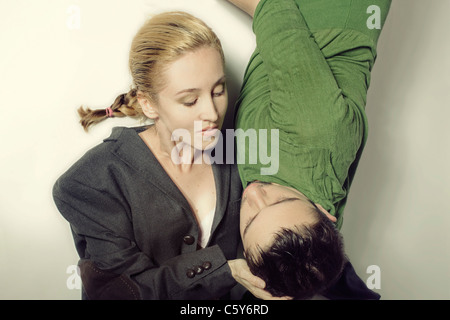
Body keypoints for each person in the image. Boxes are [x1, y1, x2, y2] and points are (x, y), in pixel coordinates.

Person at [52, 11, 267, 300]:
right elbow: (121, 293)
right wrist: (223, 269)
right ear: (148, 104)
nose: (212, 113)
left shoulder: (241, 153)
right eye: (190, 100)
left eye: (218, 90)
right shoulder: (92, 182)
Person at [226, 0, 391, 299]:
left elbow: (312, 265)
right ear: (325, 214)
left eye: (249, 222)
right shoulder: (312, 128)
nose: (251, 195)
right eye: (277, 200)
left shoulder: (317, 215)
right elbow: (266, 4)